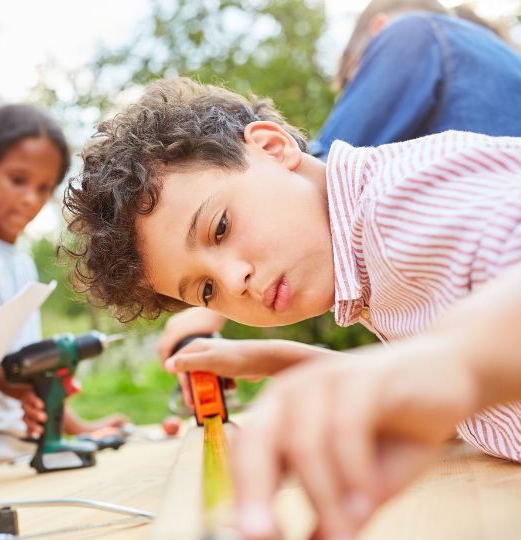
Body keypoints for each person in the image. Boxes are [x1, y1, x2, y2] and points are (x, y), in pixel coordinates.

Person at [62, 77, 521, 540]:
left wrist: (451, 365)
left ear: (271, 147)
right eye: (207, 291)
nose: (233, 281)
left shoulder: (398, 204)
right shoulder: (373, 267)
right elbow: (472, 385)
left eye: (220, 227)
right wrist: (296, 365)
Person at [159, 0, 521, 373]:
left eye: (357, 86)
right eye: (208, 291)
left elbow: (321, 164)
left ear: (377, 33)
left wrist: (213, 309)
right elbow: (455, 380)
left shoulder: (410, 34)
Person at [0, 105, 128, 461]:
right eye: (18, 180)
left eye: (44, 188)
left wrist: (82, 429)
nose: (30, 198)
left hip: (23, 445)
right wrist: (29, 396)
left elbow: (39, 366)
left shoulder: (22, 262)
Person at [312, 0, 521, 159]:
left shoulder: (411, 32)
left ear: (380, 28)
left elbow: (327, 168)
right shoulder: (502, 56)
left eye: (358, 82)